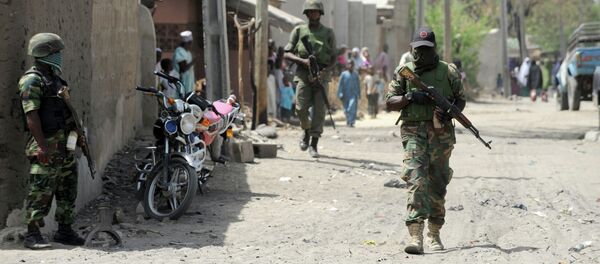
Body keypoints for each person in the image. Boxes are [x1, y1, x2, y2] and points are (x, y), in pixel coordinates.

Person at [385, 27, 465, 255]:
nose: (421, 53)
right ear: (412, 48)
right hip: (413, 133)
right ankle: (415, 234)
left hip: (441, 136)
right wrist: (410, 97)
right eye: (417, 49)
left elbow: (461, 101)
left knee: (438, 184)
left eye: (426, 49)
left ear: (434, 49)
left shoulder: (448, 72)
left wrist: (449, 112)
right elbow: (390, 102)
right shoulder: (405, 72)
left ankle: (434, 233)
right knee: (416, 180)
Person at [18, 33, 86, 249]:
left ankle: (64, 230)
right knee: (41, 190)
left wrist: (77, 135)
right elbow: (31, 116)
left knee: (68, 189)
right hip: (46, 145)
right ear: (44, 53)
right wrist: (41, 145)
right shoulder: (32, 80)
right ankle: (32, 234)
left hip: (64, 146)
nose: (59, 56)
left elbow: (65, 111)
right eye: (56, 52)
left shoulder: (55, 79)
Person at [284, 0, 336, 158]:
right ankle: (305, 131)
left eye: (316, 11)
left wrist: (324, 71)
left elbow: (334, 57)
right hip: (303, 73)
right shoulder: (299, 31)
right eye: (310, 11)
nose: (313, 14)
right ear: (306, 13)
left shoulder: (328, 33)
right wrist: (303, 61)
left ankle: (313, 143)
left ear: (320, 13)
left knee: (319, 111)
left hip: (321, 75)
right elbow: (287, 53)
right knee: (300, 108)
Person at [337, 60, 360, 127]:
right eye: (349, 64)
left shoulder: (356, 74)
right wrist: (340, 93)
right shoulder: (343, 74)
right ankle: (349, 121)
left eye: (352, 64)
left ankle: (352, 122)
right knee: (346, 109)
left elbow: (358, 85)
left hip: (353, 94)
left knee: (351, 107)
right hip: (345, 94)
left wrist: (359, 93)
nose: (350, 66)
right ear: (347, 65)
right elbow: (340, 84)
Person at [173, 30, 195, 96]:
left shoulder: (188, 53)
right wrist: (193, 61)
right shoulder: (179, 51)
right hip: (182, 82)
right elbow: (183, 68)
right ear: (188, 42)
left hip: (189, 83)